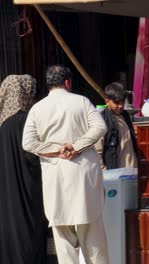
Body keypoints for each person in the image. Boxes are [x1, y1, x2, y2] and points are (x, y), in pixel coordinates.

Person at [22, 65, 109, 264]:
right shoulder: (82, 102)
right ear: (68, 82)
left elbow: (28, 143)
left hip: (56, 179)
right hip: (84, 179)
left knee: (64, 243)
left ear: (49, 84)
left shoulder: (37, 108)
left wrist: (56, 150)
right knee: (93, 240)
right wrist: (76, 147)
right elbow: (100, 127)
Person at [0, 75, 48, 264]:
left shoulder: (3, 123)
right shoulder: (26, 121)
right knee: (29, 235)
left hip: (6, 193)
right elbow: (35, 156)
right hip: (28, 191)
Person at [95, 82, 137, 170]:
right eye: (117, 102)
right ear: (107, 101)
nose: (121, 106)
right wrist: (104, 172)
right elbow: (97, 152)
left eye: (122, 102)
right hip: (114, 173)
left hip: (131, 170)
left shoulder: (125, 116)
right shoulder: (102, 120)